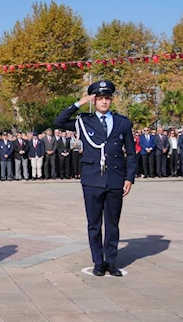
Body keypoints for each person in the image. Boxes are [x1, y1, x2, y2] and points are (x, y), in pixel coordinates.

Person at [54, 80, 137, 277]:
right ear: (94, 100)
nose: (103, 102)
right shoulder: (84, 121)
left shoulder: (122, 122)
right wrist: (79, 103)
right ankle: (98, 261)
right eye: (99, 98)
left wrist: (130, 178)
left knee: (112, 223)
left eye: (107, 98)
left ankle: (111, 261)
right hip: (92, 178)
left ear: (111, 100)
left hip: (115, 178)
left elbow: (132, 153)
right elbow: (58, 122)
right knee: (94, 223)